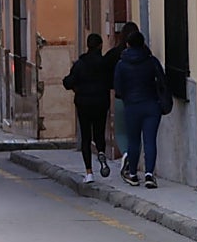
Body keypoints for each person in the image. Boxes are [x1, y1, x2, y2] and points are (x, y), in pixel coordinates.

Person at [112, 30, 166, 189]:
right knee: (150, 140)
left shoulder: (121, 64)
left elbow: (118, 89)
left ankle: (133, 174)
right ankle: (149, 174)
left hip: (132, 107)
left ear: (127, 44)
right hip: (151, 105)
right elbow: (162, 81)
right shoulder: (151, 61)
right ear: (143, 43)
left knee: (134, 141)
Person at [62, 33, 112, 183]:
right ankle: (101, 151)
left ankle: (89, 173)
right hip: (101, 102)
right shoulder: (104, 64)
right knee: (99, 131)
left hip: (84, 104)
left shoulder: (80, 64)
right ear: (100, 46)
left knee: (86, 137)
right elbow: (110, 82)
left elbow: (68, 82)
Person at [103, 21, 139, 174]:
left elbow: (104, 71)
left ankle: (125, 153)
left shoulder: (114, 55)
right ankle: (134, 159)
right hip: (139, 98)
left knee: (121, 131)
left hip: (120, 97)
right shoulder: (145, 55)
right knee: (136, 133)